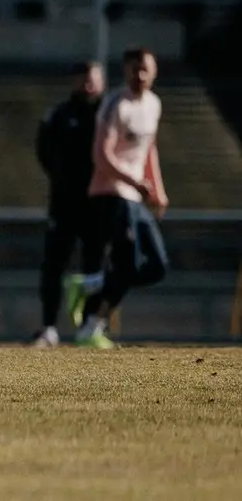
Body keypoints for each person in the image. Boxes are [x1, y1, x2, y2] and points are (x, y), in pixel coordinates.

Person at [75, 47, 170, 350]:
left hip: (135, 196)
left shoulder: (154, 105)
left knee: (157, 265)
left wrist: (158, 188)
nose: (139, 75)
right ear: (125, 71)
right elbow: (100, 156)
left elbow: (149, 150)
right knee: (127, 264)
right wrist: (134, 182)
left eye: (145, 69)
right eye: (134, 69)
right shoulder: (116, 104)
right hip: (111, 194)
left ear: (154, 72)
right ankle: (92, 327)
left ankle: (88, 285)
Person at [30, 60, 106, 348]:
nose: (88, 85)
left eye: (93, 79)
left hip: (98, 203)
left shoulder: (107, 114)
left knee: (95, 265)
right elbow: (44, 150)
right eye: (83, 79)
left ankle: (90, 326)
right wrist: (63, 180)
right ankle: (49, 326)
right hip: (64, 204)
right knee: (54, 264)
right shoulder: (59, 115)